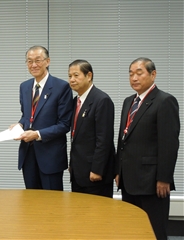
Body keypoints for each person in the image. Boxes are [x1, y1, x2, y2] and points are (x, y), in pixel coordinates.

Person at [115, 57, 180, 239]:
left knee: (154, 230)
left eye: (139, 73)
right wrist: (118, 170)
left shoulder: (165, 101)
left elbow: (169, 143)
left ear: (153, 74)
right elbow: (123, 140)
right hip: (128, 180)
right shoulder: (129, 102)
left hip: (152, 182)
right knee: (133, 229)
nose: (134, 78)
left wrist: (164, 178)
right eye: (131, 74)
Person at [13, 45, 73, 190]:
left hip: (50, 156)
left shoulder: (62, 87)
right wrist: (20, 125)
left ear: (47, 61)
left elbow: (64, 124)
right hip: (28, 154)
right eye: (29, 61)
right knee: (31, 203)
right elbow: (27, 116)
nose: (33, 65)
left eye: (38, 60)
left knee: (52, 204)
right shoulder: (24, 87)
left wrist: (37, 134)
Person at [68, 59, 115, 198]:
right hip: (78, 172)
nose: (72, 79)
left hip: (94, 174)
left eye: (76, 75)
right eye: (70, 76)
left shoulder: (101, 100)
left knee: (97, 216)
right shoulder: (75, 101)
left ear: (89, 76)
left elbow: (104, 139)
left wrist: (97, 170)